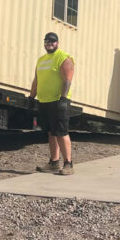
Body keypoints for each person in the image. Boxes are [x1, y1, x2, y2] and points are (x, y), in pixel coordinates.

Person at [29, 32, 75, 175]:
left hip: (58, 101)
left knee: (61, 132)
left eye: (53, 41)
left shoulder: (63, 57)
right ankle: (54, 162)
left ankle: (68, 164)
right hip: (44, 101)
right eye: (47, 41)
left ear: (57, 43)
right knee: (51, 133)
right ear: (44, 43)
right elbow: (36, 80)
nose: (50, 43)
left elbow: (68, 79)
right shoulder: (41, 60)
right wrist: (31, 97)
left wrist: (63, 99)